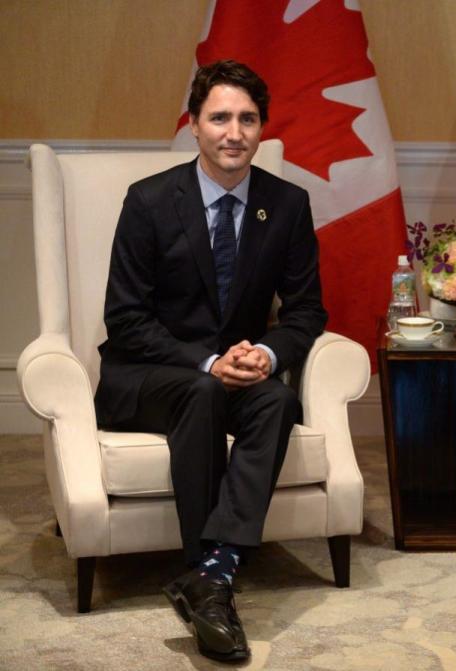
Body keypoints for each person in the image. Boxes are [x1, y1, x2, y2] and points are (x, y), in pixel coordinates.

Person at [94, 60, 327, 662]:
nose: (234, 132)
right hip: (149, 374)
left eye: (247, 119)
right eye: (219, 117)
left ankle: (213, 574)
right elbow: (125, 317)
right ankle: (209, 571)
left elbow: (306, 313)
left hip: (237, 373)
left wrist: (268, 353)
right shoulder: (148, 202)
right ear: (194, 127)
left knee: (278, 397)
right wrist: (207, 363)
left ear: (261, 129)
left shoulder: (288, 204)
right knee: (201, 392)